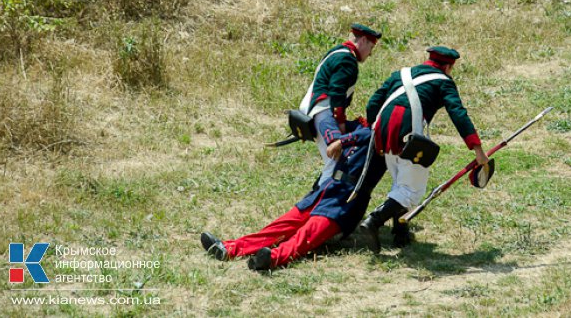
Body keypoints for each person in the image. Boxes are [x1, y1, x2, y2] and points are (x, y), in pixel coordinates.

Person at [200, 115, 386, 270]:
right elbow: (324, 119)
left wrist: (342, 141)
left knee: (305, 236)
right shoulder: (355, 126)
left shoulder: (386, 139)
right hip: (325, 191)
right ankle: (229, 248)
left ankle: (270, 259)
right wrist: (334, 137)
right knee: (282, 225)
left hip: (346, 202)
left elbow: (372, 138)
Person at [359, 46, 489, 253]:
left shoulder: (400, 74)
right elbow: (458, 113)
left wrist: (376, 130)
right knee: (412, 189)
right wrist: (477, 148)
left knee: (401, 181)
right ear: (447, 66)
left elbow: (374, 102)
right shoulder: (443, 81)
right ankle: (374, 221)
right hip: (407, 130)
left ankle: (400, 233)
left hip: (384, 130)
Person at [299, 23, 381, 182]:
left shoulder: (338, 51)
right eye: (371, 47)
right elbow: (337, 94)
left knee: (336, 159)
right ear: (363, 40)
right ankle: (318, 200)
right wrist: (341, 124)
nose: (370, 54)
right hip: (323, 111)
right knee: (334, 161)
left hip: (316, 109)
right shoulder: (347, 59)